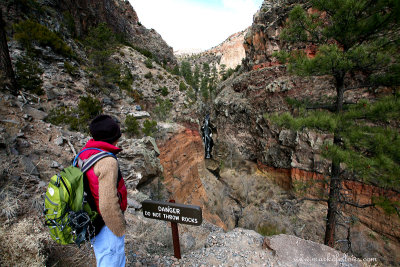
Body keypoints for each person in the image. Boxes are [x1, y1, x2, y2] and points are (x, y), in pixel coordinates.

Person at [76, 114, 127, 267]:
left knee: (103, 257)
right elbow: (107, 203)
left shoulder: (85, 154)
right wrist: (118, 229)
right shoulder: (107, 161)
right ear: (113, 137)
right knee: (112, 260)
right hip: (106, 225)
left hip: (91, 220)